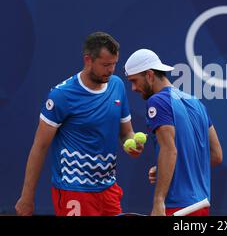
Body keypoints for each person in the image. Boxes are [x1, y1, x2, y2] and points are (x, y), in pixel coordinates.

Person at [15, 32, 144, 216]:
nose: (111, 70)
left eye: (114, 64)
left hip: (108, 190)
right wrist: (27, 197)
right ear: (88, 60)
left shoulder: (117, 86)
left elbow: (126, 133)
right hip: (73, 191)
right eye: (106, 65)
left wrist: (132, 144)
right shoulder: (61, 95)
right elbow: (40, 147)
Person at [124, 48, 223, 216]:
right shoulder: (196, 102)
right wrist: (168, 169)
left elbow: (169, 150)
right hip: (201, 206)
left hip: (177, 207)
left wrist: (158, 201)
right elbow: (216, 156)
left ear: (149, 75)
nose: (133, 88)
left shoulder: (157, 101)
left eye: (134, 81)